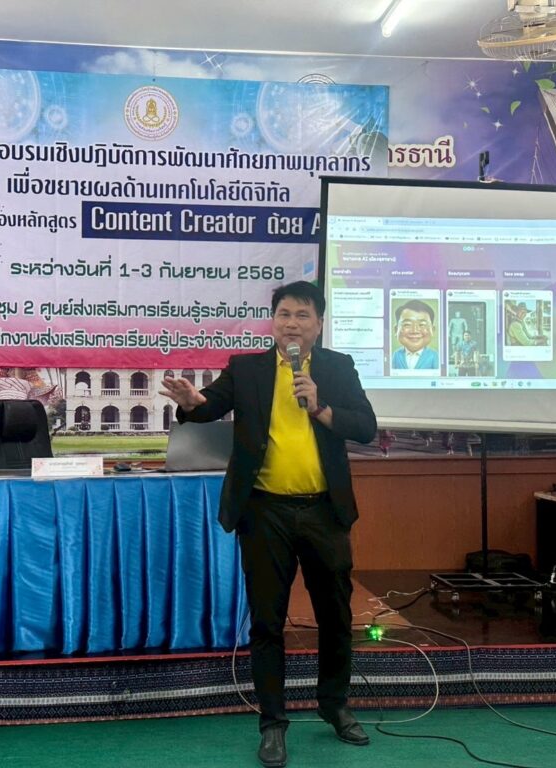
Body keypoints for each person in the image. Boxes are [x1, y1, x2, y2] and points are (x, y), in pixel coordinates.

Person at [160, 281, 377, 768]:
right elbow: (209, 405)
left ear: (319, 324)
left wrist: (321, 407)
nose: (291, 324)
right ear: (273, 322)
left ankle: (335, 705)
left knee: (335, 616)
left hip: (324, 512)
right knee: (266, 622)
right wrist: (192, 402)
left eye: (302, 315)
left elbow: (365, 427)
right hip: (264, 513)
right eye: (284, 314)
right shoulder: (247, 368)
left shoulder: (337, 368)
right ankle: (273, 723)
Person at [390, 300, 439, 370]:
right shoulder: (396, 355)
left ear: (432, 330)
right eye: (407, 324)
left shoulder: (434, 356)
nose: (415, 331)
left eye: (422, 325)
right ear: (396, 330)